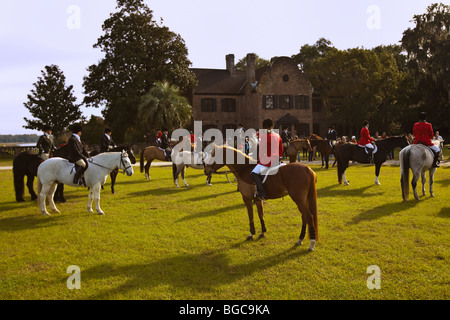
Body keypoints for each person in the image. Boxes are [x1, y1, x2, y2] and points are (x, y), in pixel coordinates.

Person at [251, 119, 283, 200]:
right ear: (272, 126)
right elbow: (281, 149)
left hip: (268, 160)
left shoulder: (264, 136)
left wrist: (259, 161)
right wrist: (278, 157)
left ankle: (262, 192)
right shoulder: (278, 135)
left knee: (253, 173)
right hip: (277, 159)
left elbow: (262, 151)